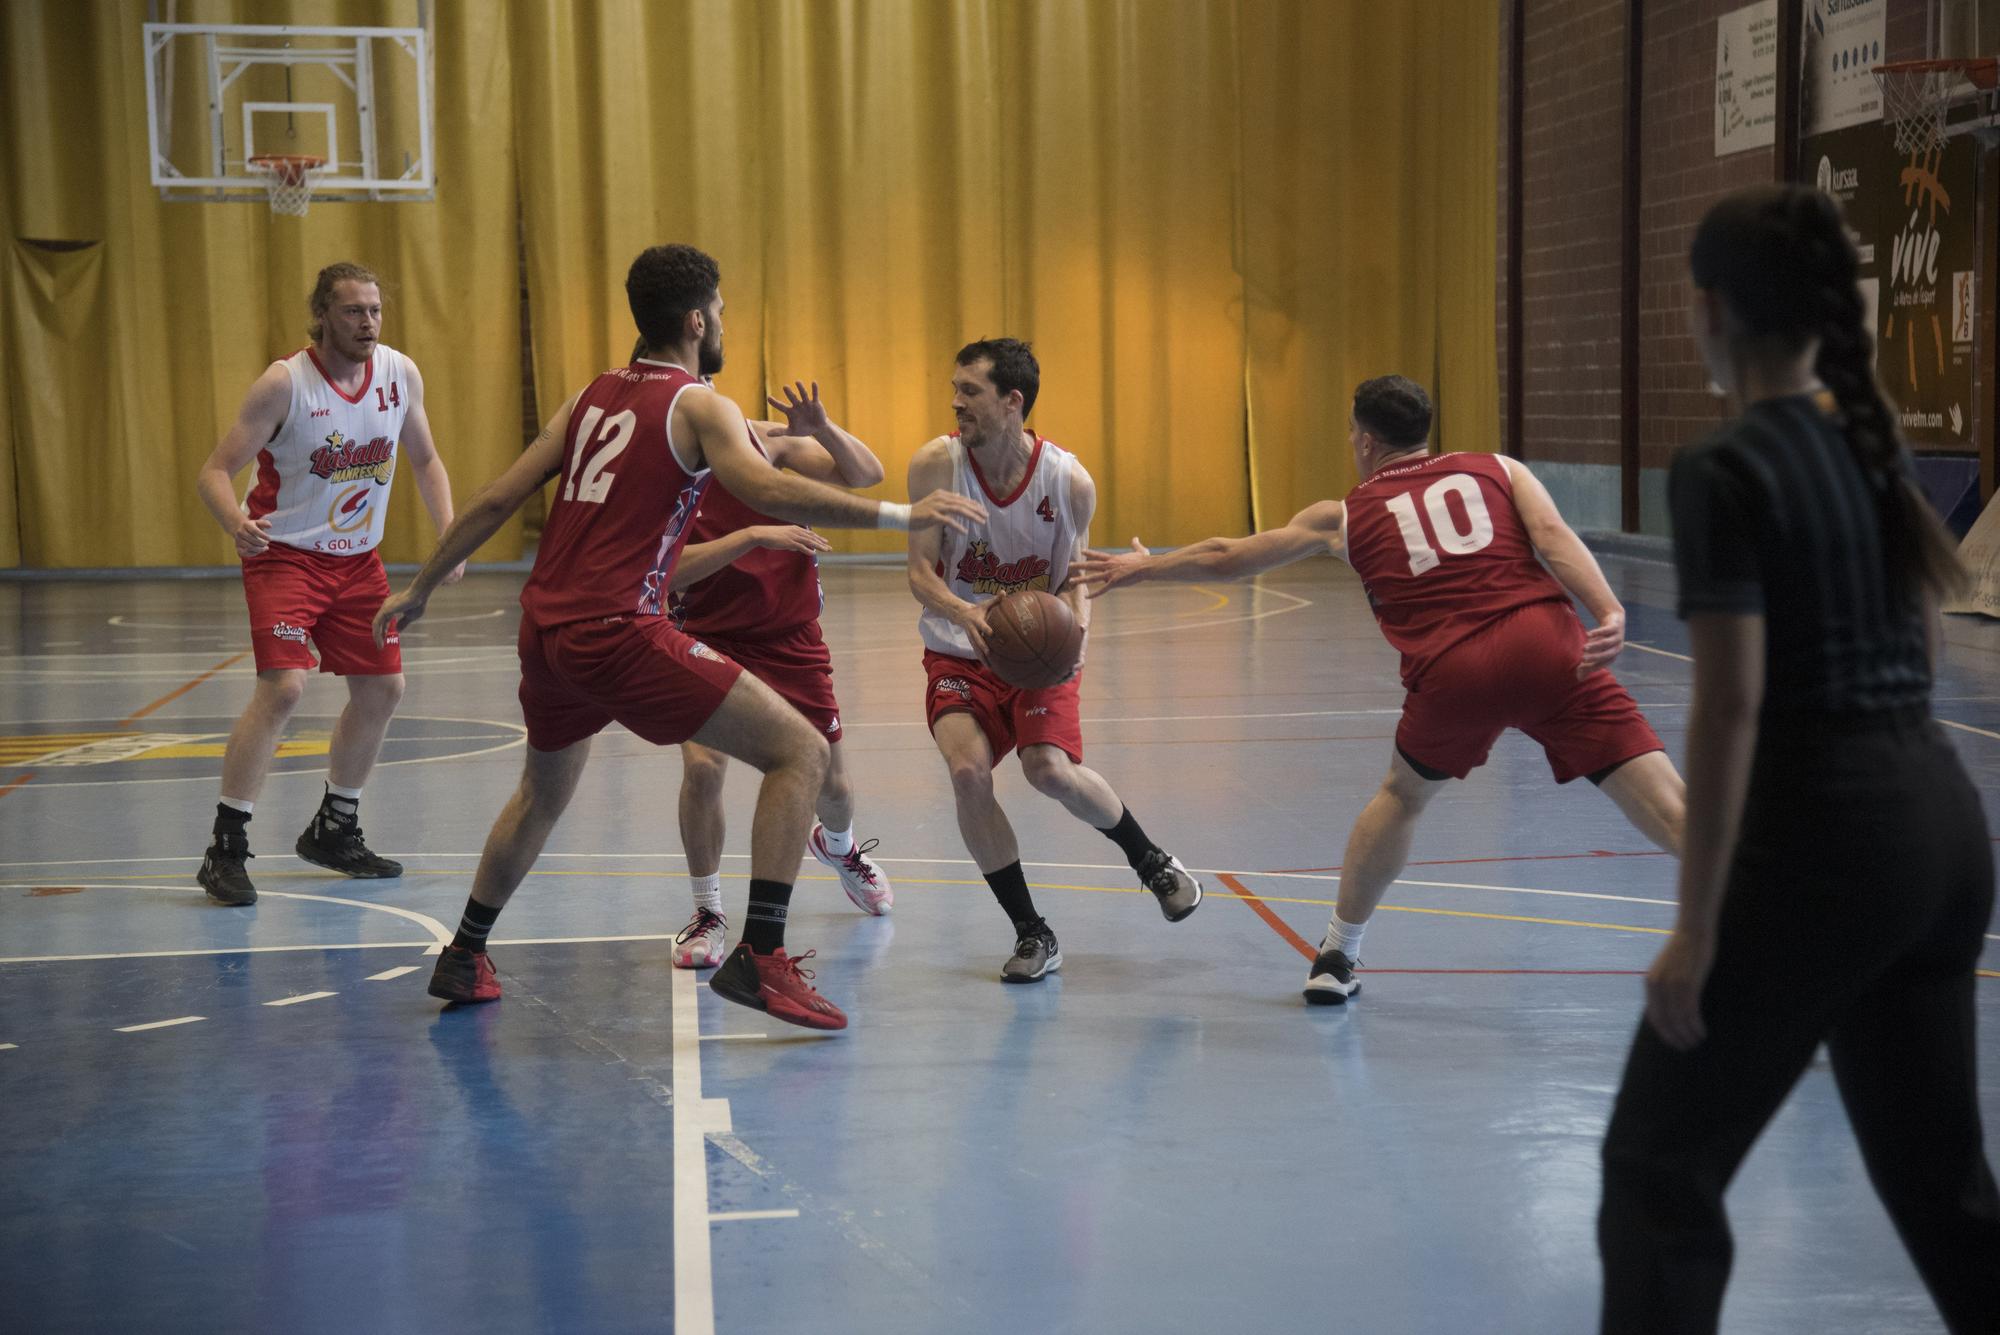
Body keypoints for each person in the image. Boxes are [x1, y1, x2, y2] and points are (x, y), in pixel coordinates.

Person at [372, 244, 979, 1030]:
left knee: (541, 794)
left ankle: (465, 951)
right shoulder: (698, 404)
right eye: (720, 311)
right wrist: (902, 516)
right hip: (617, 628)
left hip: (544, 628)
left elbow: (496, 498)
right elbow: (760, 484)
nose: (722, 323)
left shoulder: (591, 396)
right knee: (803, 752)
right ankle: (762, 957)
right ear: (696, 320)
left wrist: (420, 587)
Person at [1596, 185, 1999, 1333]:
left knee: (1655, 1178)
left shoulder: (1723, 468)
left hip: (1826, 851)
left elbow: (1728, 707)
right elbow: (1916, 646)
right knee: (1941, 1187)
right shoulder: (1869, 446)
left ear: (1709, 310)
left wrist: (1697, 928)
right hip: (1940, 834)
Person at [1075, 375, 1685, 1003]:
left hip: (1455, 671)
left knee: (1403, 795)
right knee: (1669, 803)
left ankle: (1337, 955)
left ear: (1365, 440)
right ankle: (1764, 924)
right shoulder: (1499, 469)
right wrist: (1609, 612)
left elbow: (1230, 555)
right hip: (1548, 647)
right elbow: (1554, 541)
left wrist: (1141, 567)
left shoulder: (1342, 515)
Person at [907, 338, 1203, 984]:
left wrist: (1077, 647)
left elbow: (1072, 580)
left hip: (1035, 651)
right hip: (959, 647)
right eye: (954, 388)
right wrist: (964, 613)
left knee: (1050, 771)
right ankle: (1031, 931)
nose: (956, 402)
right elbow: (919, 573)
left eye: (971, 392)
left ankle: (1151, 859)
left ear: (1013, 401)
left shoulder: (1066, 481)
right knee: (967, 775)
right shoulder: (936, 465)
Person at [192, 262, 461, 907]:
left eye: (374, 310)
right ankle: (226, 846)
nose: (368, 322)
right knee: (284, 689)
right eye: (352, 311)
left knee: (384, 689)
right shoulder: (283, 385)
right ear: (322, 316)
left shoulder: (399, 374)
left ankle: (335, 827)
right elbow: (214, 471)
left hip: (358, 562)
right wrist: (235, 522)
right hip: (284, 557)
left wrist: (452, 536)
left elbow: (424, 459)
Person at [664, 380, 895, 971]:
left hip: (790, 636)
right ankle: (709, 911)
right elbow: (668, 575)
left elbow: (868, 475)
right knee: (703, 770)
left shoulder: (770, 444)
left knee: (835, 790)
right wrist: (753, 536)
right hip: (708, 636)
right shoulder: (663, 474)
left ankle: (837, 847)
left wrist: (822, 428)